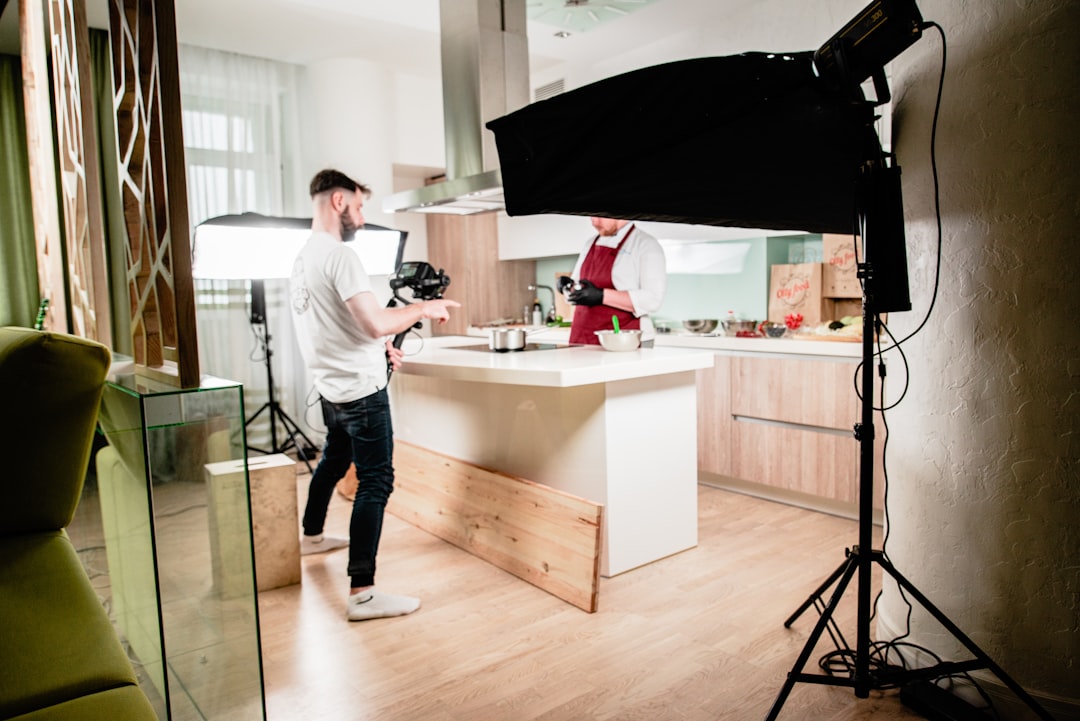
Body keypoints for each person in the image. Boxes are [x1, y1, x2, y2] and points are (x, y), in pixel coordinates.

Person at [289, 168, 460, 621]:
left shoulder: (303, 258)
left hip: (332, 390)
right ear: (340, 201)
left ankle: (310, 536)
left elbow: (338, 326)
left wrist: (377, 346)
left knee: (332, 461)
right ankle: (363, 592)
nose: (363, 218)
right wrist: (423, 307)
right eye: (361, 206)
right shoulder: (340, 256)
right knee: (376, 483)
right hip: (362, 395)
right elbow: (375, 322)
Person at [561, 217, 666, 347]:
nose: (594, 222)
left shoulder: (646, 244)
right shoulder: (590, 243)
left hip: (623, 341)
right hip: (583, 336)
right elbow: (578, 284)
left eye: (599, 216)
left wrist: (601, 296)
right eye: (591, 216)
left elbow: (652, 300)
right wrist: (567, 287)